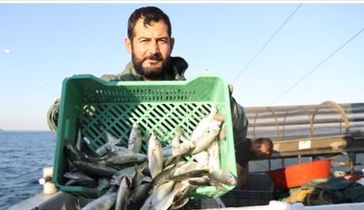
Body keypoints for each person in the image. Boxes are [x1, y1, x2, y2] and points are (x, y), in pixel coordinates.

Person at [48, 6, 248, 158]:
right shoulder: (106, 88)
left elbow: (237, 134)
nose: (153, 50)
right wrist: (65, 106)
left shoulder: (196, 94)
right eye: (144, 41)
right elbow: (58, 124)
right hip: (118, 187)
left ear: (171, 44)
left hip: (180, 191)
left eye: (161, 40)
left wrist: (225, 102)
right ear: (129, 44)